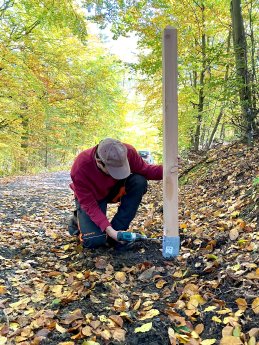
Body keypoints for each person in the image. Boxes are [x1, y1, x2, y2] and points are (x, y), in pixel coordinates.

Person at [68, 138, 163, 249]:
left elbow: (146, 170)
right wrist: (110, 231)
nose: (118, 173)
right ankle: (77, 220)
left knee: (139, 181)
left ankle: (117, 229)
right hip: (92, 198)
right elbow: (89, 205)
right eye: (113, 170)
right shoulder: (80, 167)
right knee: (94, 242)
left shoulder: (127, 151)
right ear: (99, 162)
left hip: (115, 191)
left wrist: (168, 169)